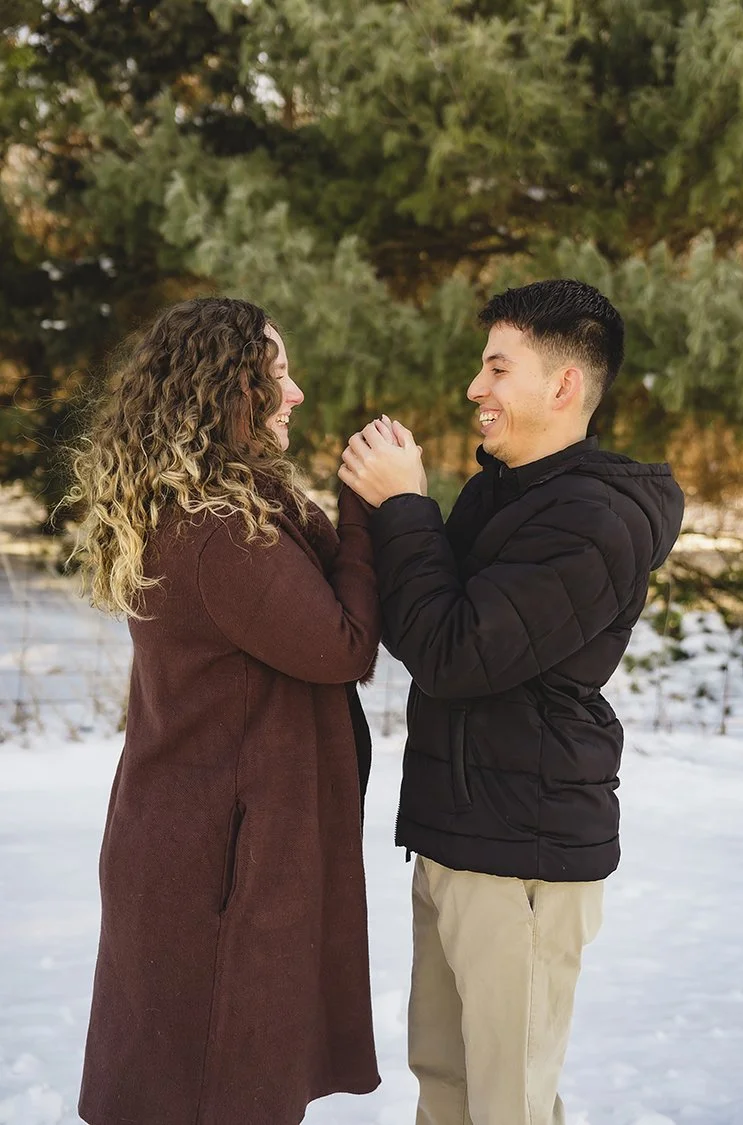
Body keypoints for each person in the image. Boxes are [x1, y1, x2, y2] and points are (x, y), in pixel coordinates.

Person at [339, 279, 685, 1125]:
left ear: (563, 385)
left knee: (508, 1106)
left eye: (498, 367)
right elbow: (422, 624)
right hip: (456, 835)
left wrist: (407, 505)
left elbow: (454, 652)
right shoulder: (504, 493)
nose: (475, 387)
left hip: (521, 850)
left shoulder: (593, 521)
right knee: (446, 1084)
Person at [68, 297, 381, 1125]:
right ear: (225, 390)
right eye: (275, 374)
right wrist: (363, 509)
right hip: (217, 867)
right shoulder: (219, 532)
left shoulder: (223, 509)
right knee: (214, 1092)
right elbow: (343, 645)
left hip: (197, 843)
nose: (295, 392)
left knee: (194, 1088)